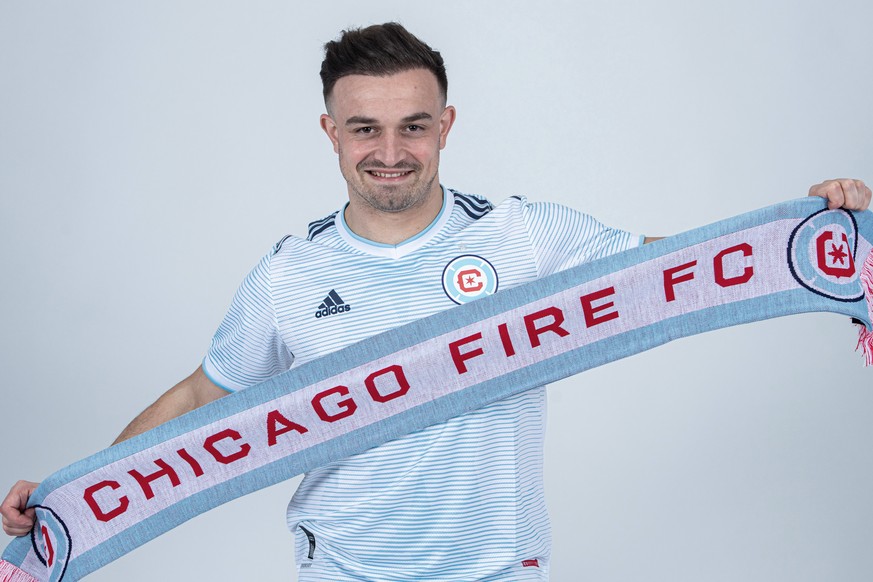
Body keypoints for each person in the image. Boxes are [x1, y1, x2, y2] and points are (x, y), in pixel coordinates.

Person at [2, 22, 871, 581]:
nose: (390, 151)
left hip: (495, 567)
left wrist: (809, 232)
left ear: (445, 125)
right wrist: (79, 492)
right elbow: (204, 395)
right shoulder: (288, 273)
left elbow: (677, 270)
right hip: (342, 568)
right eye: (364, 128)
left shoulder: (526, 235)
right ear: (330, 133)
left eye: (412, 125)